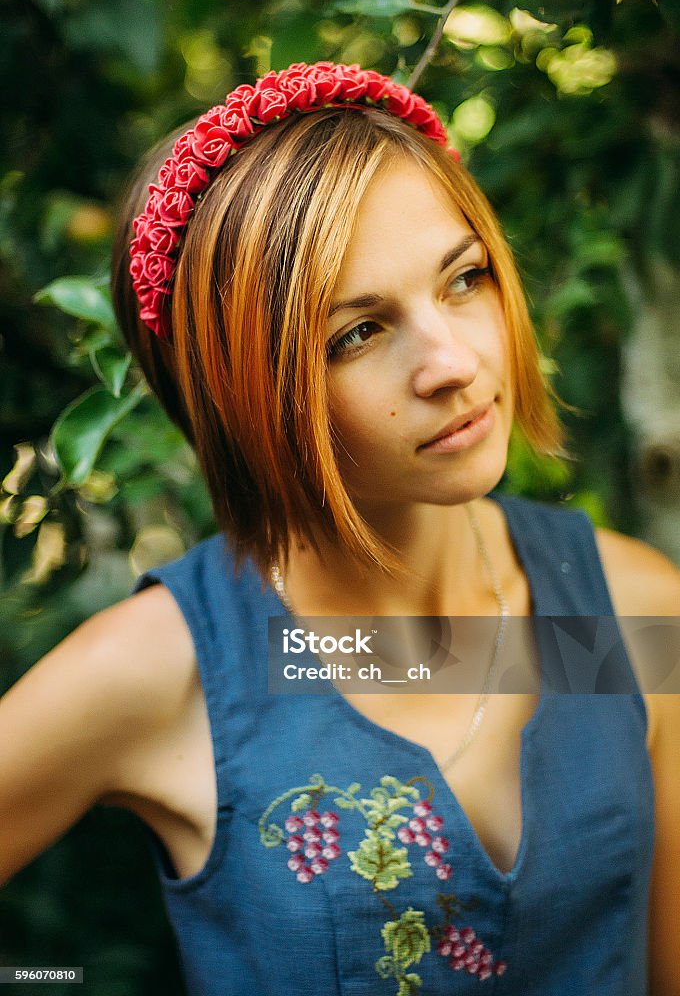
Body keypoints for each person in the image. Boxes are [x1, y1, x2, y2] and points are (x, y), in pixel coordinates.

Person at [1, 61, 679, 995]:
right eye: (355, 334)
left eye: (464, 278)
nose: (451, 361)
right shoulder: (165, 674)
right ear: (243, 397)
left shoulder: (629, 616)